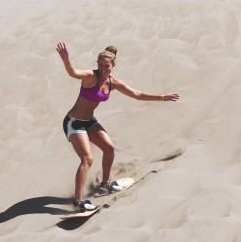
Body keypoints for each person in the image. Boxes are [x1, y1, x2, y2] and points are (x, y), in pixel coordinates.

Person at [55, 42, 180, 212]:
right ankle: (78, 202)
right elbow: (73, 72)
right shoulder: (90, 77)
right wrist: (66, 60)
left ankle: (105, 183)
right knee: (87, 159)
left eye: (106, 65)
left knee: (109, 148)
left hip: (89, 121)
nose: (102, 68)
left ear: (113, 65)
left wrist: (163, 97)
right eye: (100, 65)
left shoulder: (113, 83)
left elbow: (137, 94)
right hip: (74, 122)